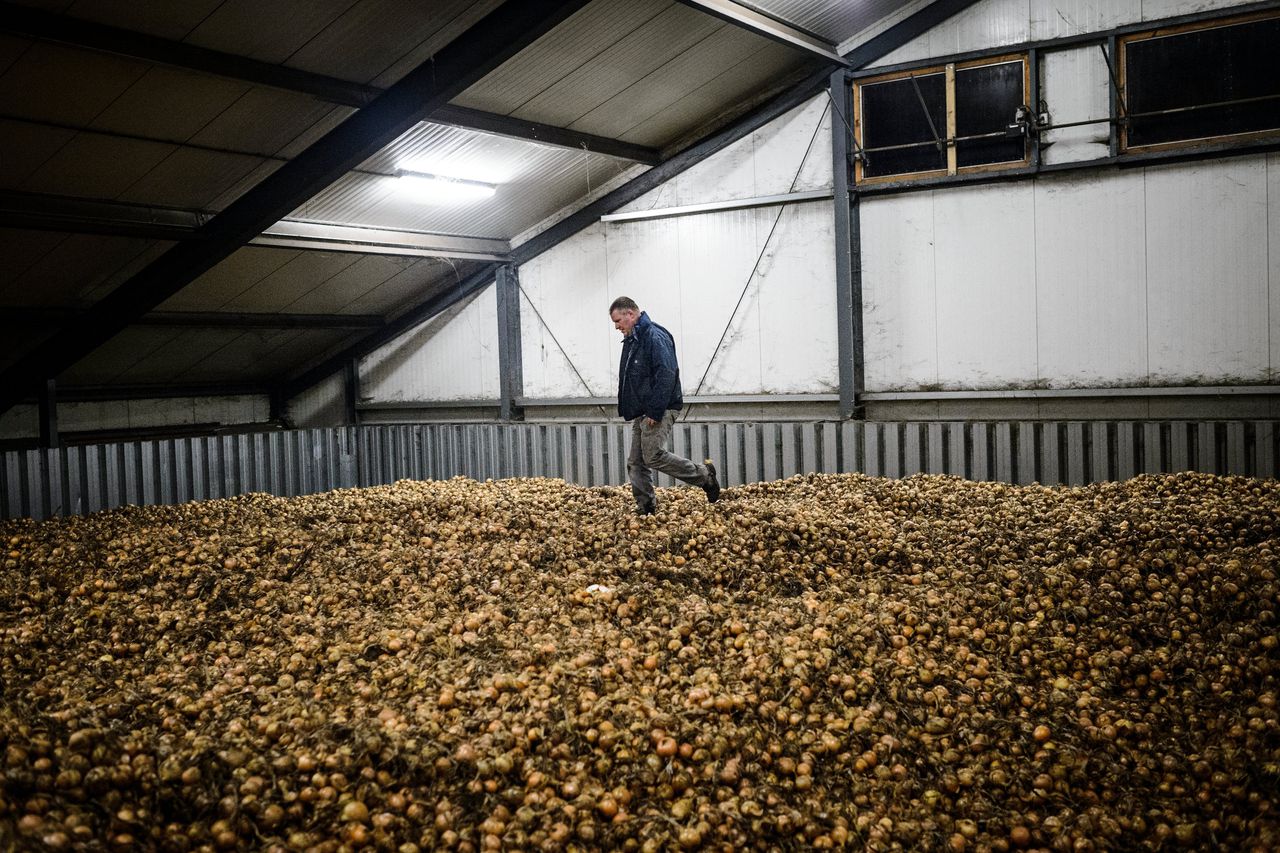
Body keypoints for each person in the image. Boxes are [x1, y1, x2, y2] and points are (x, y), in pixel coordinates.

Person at [609, 296, 720, 515]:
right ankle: (646, 507)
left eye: (618, 320)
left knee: (653, 456)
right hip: (644, 410)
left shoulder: (654, 336)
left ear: (630, 314)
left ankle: (704, 476)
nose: (616, 327)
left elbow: (666, 374)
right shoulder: (634, 338)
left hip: (659, 408)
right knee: (636, 462)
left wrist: (655, 410)